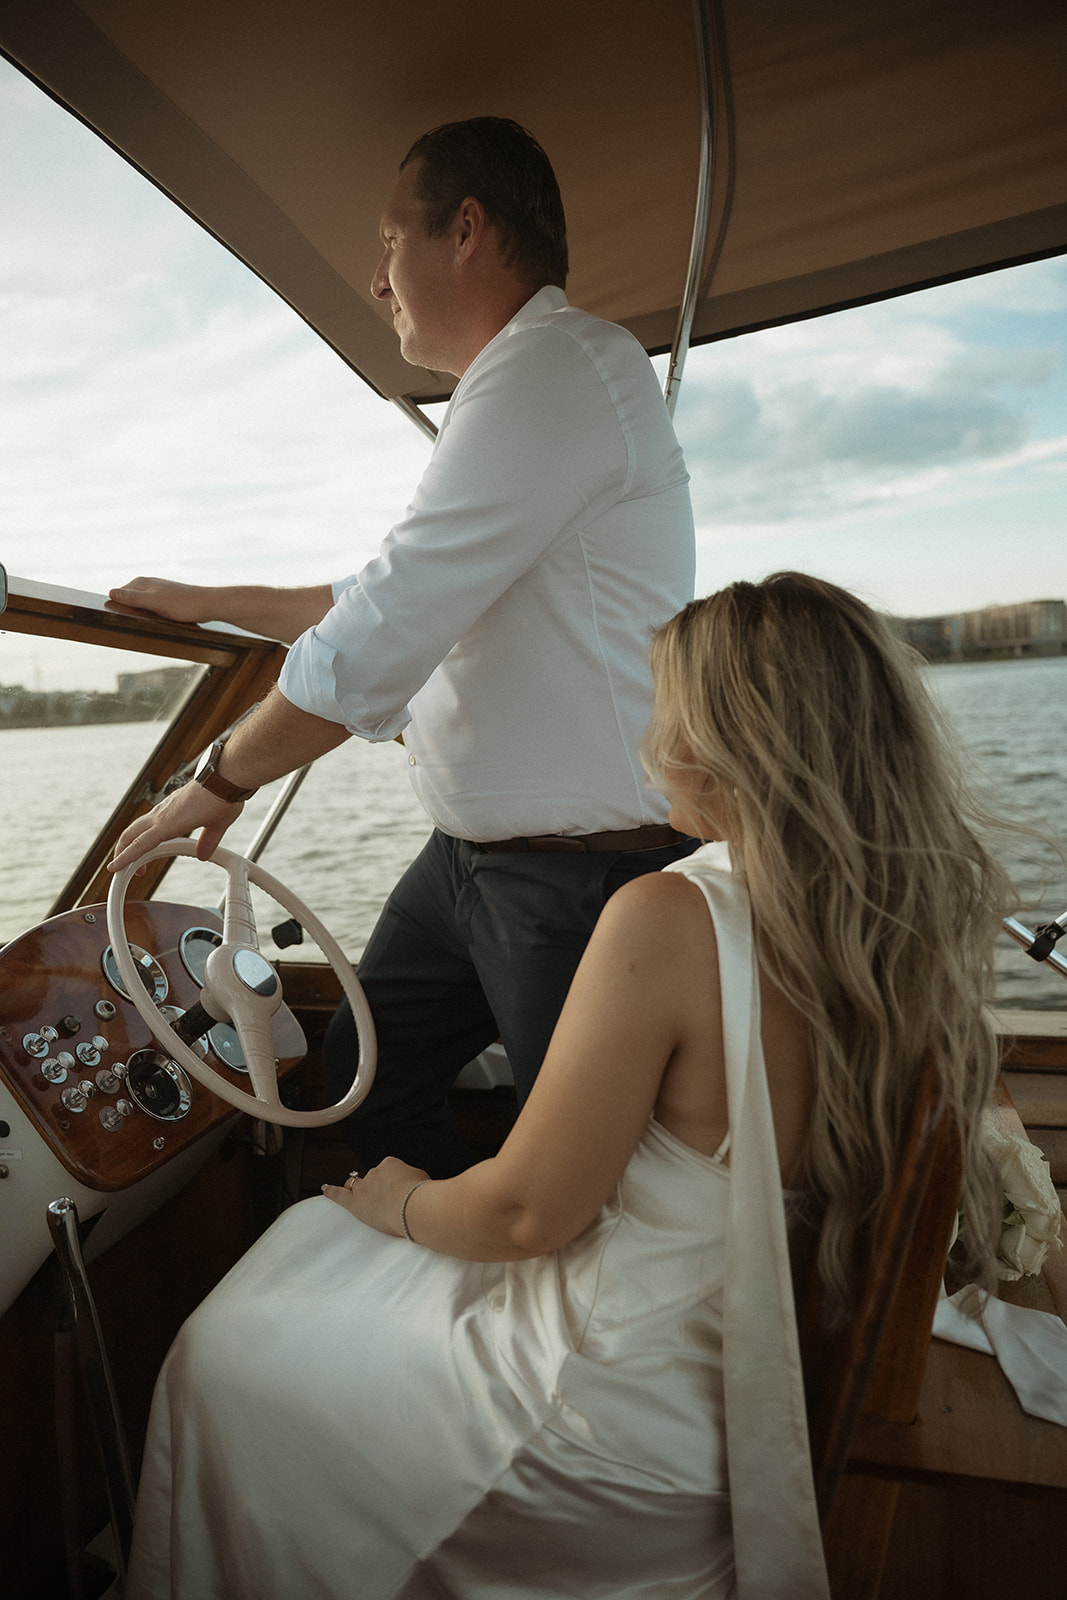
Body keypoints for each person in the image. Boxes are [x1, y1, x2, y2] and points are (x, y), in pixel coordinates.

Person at [125, 573, 1008, 1600]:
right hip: (743, 1374)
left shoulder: (668, 918)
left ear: (721, 743)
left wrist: (392, 1198)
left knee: (227, 1344)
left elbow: (525, 1213)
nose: (641, 740)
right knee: (303, 1260)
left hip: (610, 1416)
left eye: (658, 711)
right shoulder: (908, 918)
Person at [107, 117, 696, 1175]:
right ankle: (422, 1280)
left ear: (465, 229)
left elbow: (387, 622)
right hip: (466, 866)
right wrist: (208, 598)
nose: (377, 280)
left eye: (388, 241)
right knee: (355, 1094)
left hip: (580, 880)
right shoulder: (513, 392)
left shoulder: (555, 369)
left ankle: (515, 1317)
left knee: (600, 1179)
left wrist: (221, 776)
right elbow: (388, 593)